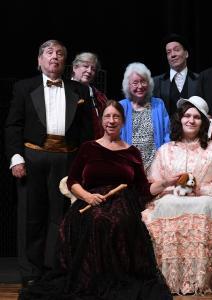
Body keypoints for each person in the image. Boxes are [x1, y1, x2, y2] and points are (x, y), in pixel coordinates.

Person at [19, 100, 172, 299]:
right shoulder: (88, 148)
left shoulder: (132, 152)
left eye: (116, 116)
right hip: (90, 200)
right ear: (101, 121)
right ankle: (94, 278)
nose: (111, 120)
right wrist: (88, 197)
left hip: (122, 202)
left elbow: (143, 189)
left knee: (117, 221)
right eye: (107, 116)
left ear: (123, 122)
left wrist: (166, 182)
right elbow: (73, 180)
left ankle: (114, 278)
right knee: (97, 220)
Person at [4, 39, 93, 288]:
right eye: (49, 52)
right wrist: (16, 158)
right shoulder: (24, 87)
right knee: (31, 216)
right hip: (32, 158)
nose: (54, 56)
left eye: (60, 53)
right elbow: (13, 125)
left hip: (66, 158)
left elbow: (86, 133)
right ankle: (30, 272)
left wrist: (84, 165)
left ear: (65, 61)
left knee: (61, 216)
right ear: (39, 60)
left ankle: (55, 269)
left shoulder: (79, 90)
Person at [142, 96, 212, 295]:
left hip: (205, 199)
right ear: (180, 119)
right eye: (187, 115)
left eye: (196, 117)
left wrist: (199, 189)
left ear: (203, 122)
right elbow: (152, 185)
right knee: (165, 206)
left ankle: (200, 280)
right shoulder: (165, 150)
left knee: (205, 206)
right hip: (170, 199)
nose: (191, 120)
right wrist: (171, 185)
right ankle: (168, 279)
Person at [119, 62, 170, 171]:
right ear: (128, 85)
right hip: (129, 165)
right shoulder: (121, 106)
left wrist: (164, 160)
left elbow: (167, 134)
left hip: (156, 166)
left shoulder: (158, 104)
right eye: (135, 82)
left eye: (143, 81)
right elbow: (115, 136)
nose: (140, 86)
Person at [153, 33, 199, 116]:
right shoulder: (155, 82)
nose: (172, 55)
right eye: (168, 52)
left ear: (186, 54)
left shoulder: (200, 80)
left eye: (177, 50)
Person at [71, 52, 108, 138]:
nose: (89, 71)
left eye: (93, 69)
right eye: (86, 66)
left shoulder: (100, 97)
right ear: (75, 67)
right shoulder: (63, 90)